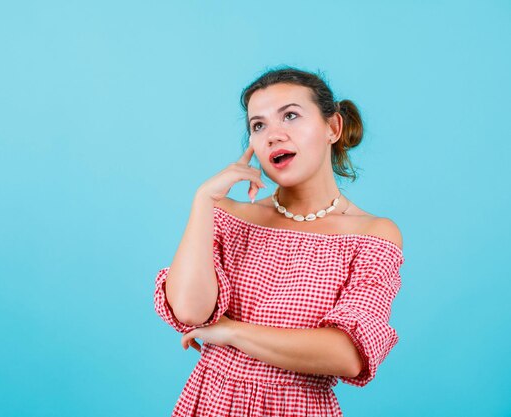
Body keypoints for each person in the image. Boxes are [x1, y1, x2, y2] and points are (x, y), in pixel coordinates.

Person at [153, 66, 404, 417]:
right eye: (259, 125)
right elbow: (190, 311)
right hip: (211, 403)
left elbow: (347, 355)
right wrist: (203, 201)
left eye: (290, 116)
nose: (273, 135)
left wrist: (232, 333)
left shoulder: (372, 234)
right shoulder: (227, 216)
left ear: (333, 127)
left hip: (299, 408)